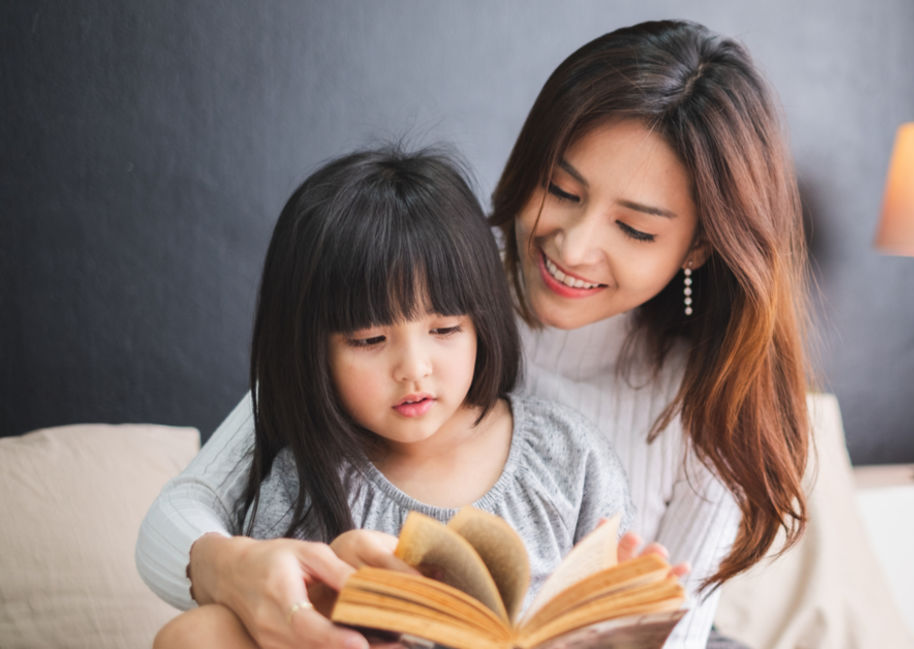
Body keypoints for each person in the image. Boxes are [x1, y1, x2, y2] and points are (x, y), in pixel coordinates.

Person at [137, 19, 812, 649]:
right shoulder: (429, 284)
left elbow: (681, 624)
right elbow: (175, 524)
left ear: (699, 246)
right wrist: (238, 566)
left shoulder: (710, 398)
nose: (572, 247)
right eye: (561, 188)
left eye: (635, 229)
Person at [148, 146, 636, 649]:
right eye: (369, 340)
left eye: (444, 329)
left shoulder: (567, 457)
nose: (414, 369)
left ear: (482, 322)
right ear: (313, 351)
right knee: (197, 635)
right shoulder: (304, 484)